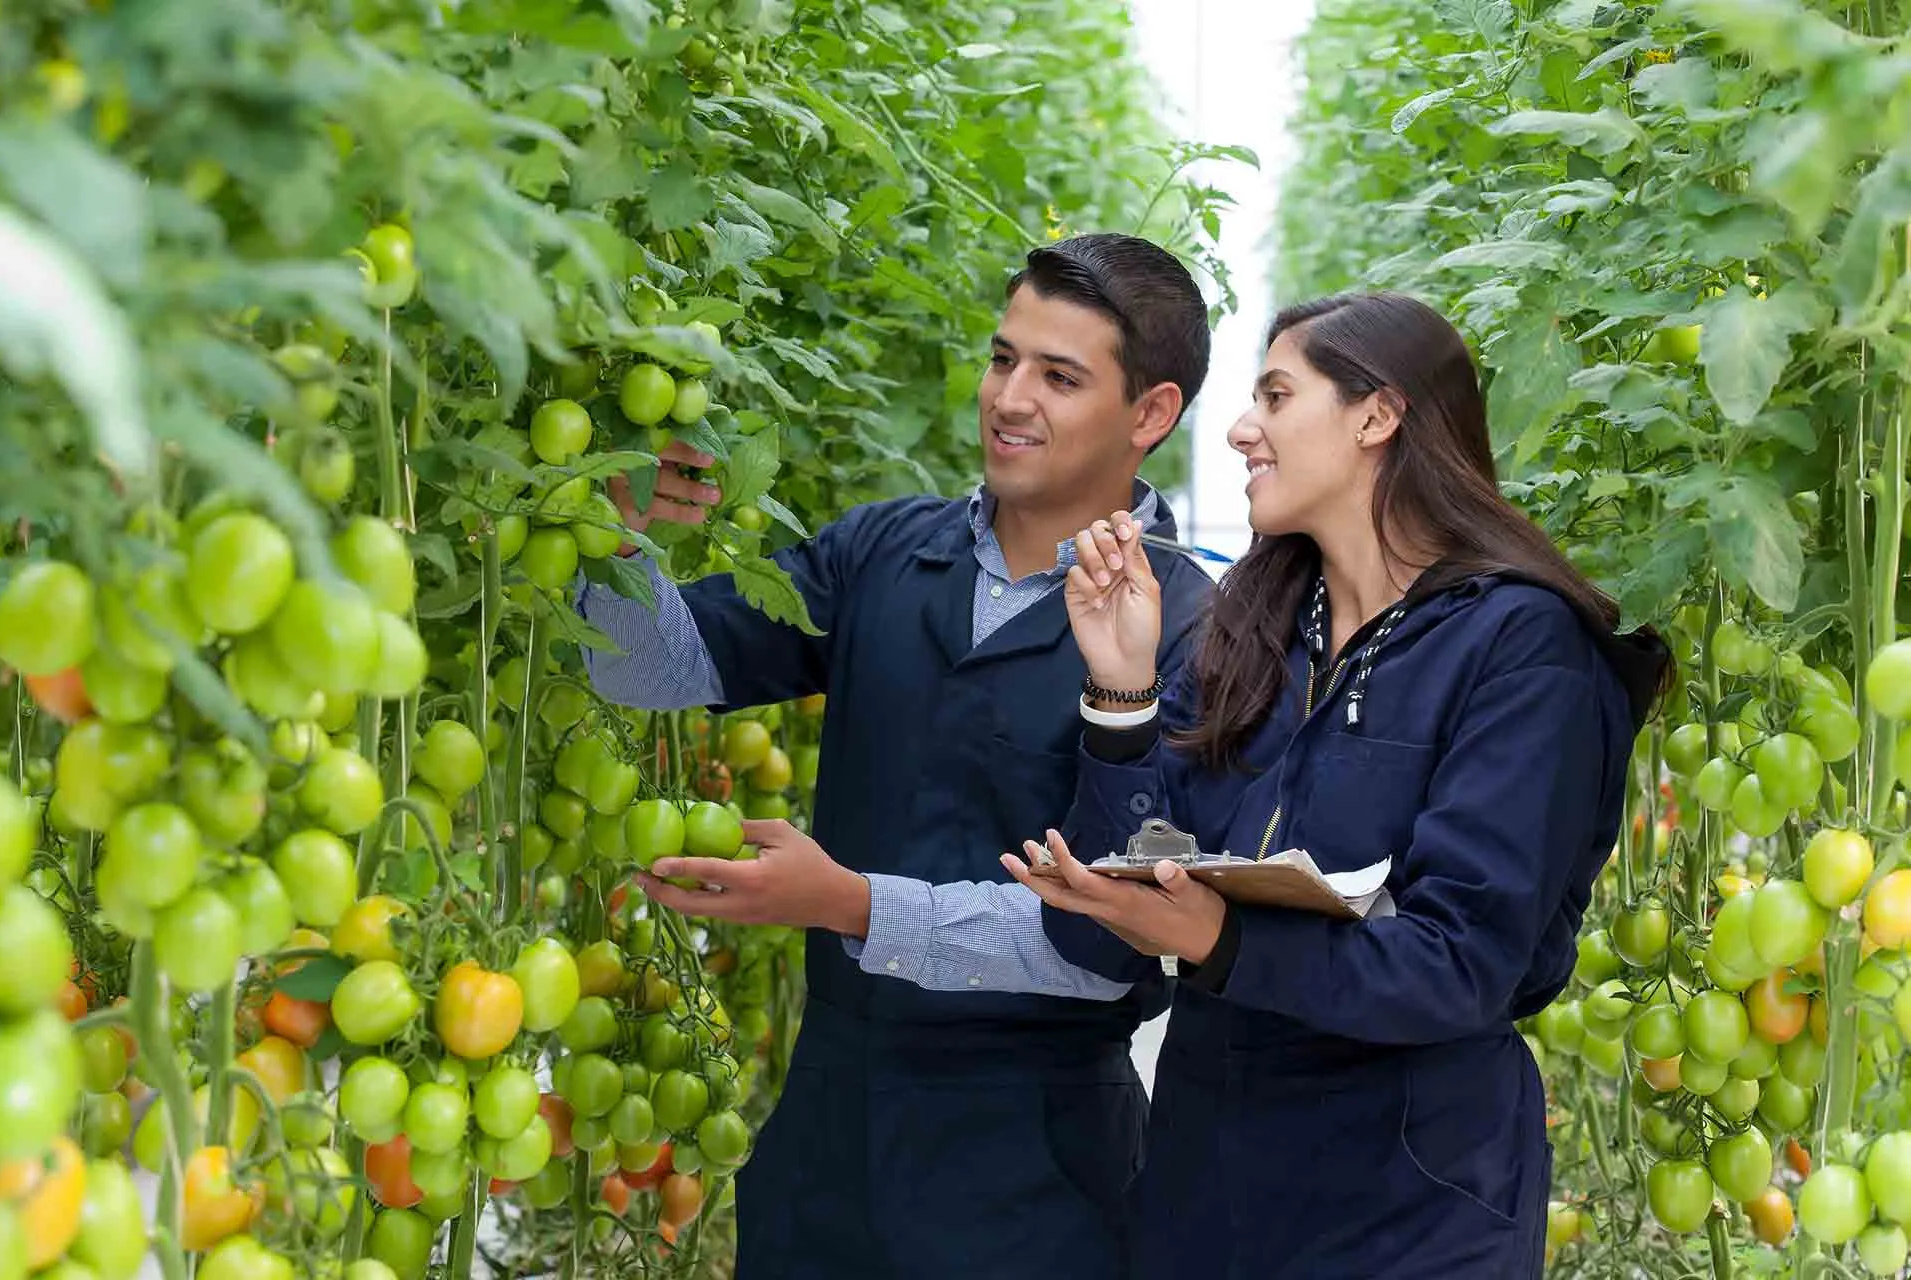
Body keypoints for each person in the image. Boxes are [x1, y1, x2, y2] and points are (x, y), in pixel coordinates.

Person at [789, 291, 1669, 1276]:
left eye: (1277, 395)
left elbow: (1462, 964)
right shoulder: (1253, 635)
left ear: (1378, 415)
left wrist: (1219, 935)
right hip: (1206, 1189)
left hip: (1414, 1205)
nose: (1244, 428)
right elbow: (1093, 925)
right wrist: (1119, 696)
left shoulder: (1519, 645)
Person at [578, 233, 1217, 1279]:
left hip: (1034, 1157)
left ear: (1150, 414)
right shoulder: (882, 550)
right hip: (831, 1123)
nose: (1011, 397)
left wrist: (850, 904)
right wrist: (615, 532)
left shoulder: (1190, 626)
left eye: (1060, 376)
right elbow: (660, 668)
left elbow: (1108, 935)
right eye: (1005, 358)